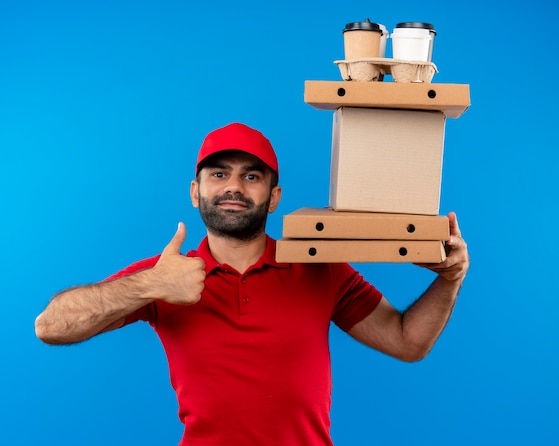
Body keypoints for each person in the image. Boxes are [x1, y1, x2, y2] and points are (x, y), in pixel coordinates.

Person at [35, 122, 469, 446]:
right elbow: (51, 326)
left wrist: (451, 278)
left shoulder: (321, 268)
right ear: (195, 191)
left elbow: (406, 341)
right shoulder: (163, 274)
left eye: (251, 176)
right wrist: (149, 284)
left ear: (273, 196)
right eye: (218, 174)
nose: (233, 187)